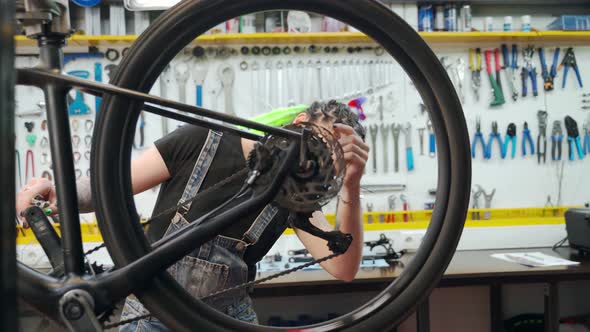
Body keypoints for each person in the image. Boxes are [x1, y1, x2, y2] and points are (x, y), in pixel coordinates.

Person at [16, 100, 369, 330]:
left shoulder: (296, 188)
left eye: (324, 167)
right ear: (299, 121)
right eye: (316, 144)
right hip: (150, 317)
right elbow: (108, 187)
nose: (309, 165)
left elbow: (343, 267)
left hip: (227, 322)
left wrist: (350, 186)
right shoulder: (202, 140)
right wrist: (55, 193)